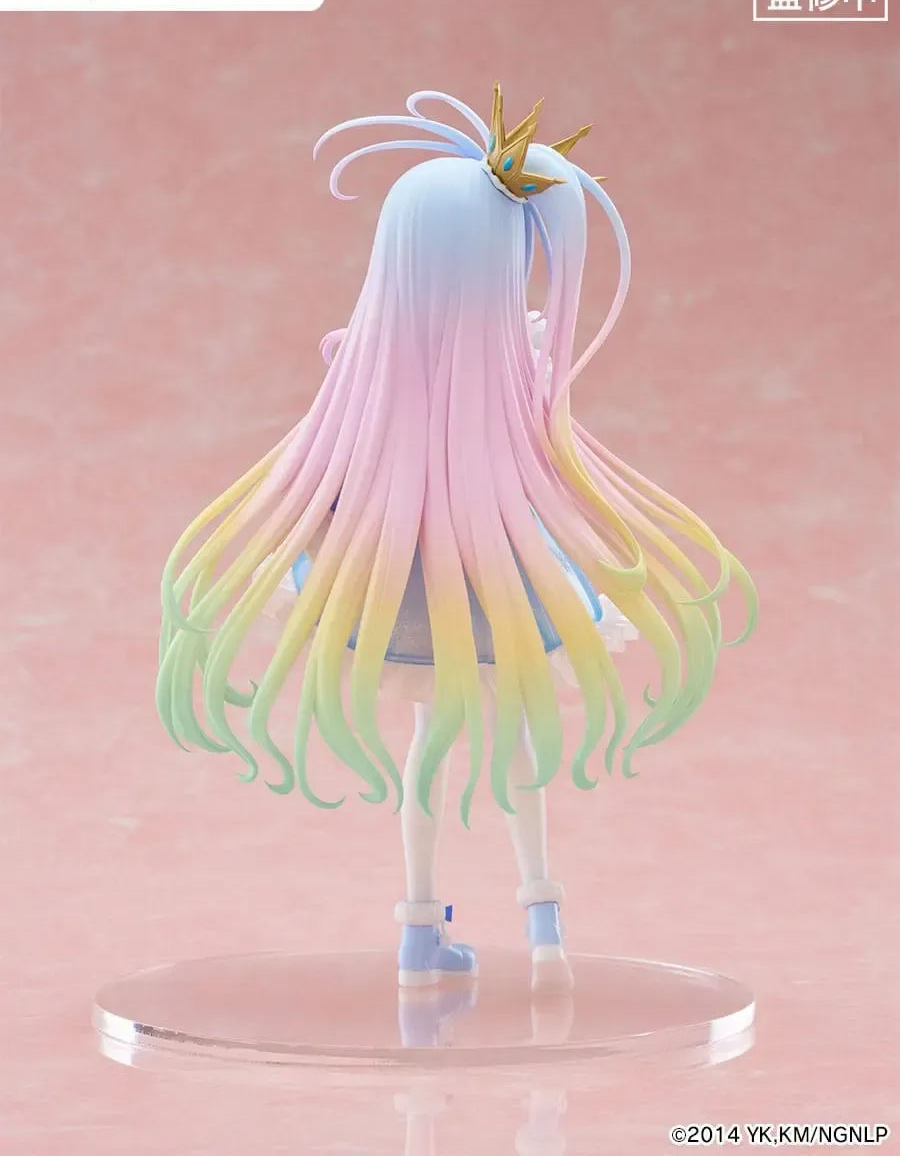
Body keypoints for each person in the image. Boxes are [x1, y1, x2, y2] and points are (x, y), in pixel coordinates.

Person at [157, 86, 757, 993]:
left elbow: (326, 483)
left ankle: (419, 931)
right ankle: (544, 927)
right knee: (519, 739)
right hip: (502, 576)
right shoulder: (511, 367)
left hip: (398, 587)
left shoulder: (363, 372)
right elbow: (552, 468)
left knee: (426, 751)